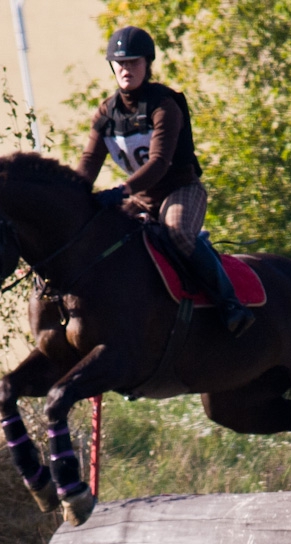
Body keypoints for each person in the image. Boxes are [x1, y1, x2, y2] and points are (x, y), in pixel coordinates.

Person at [75, 26, 255, 337]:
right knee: (98, 235)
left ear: (147, 63)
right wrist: (74, 195)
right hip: (141, 198)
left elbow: (159, 163)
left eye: (133, 62)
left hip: (181, 190)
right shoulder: (106, 112)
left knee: (179, 235)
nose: (125, 69)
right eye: (120, 63)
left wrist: (121, 190)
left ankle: (231, 305)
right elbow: (89, 162)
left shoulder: (164, 105)